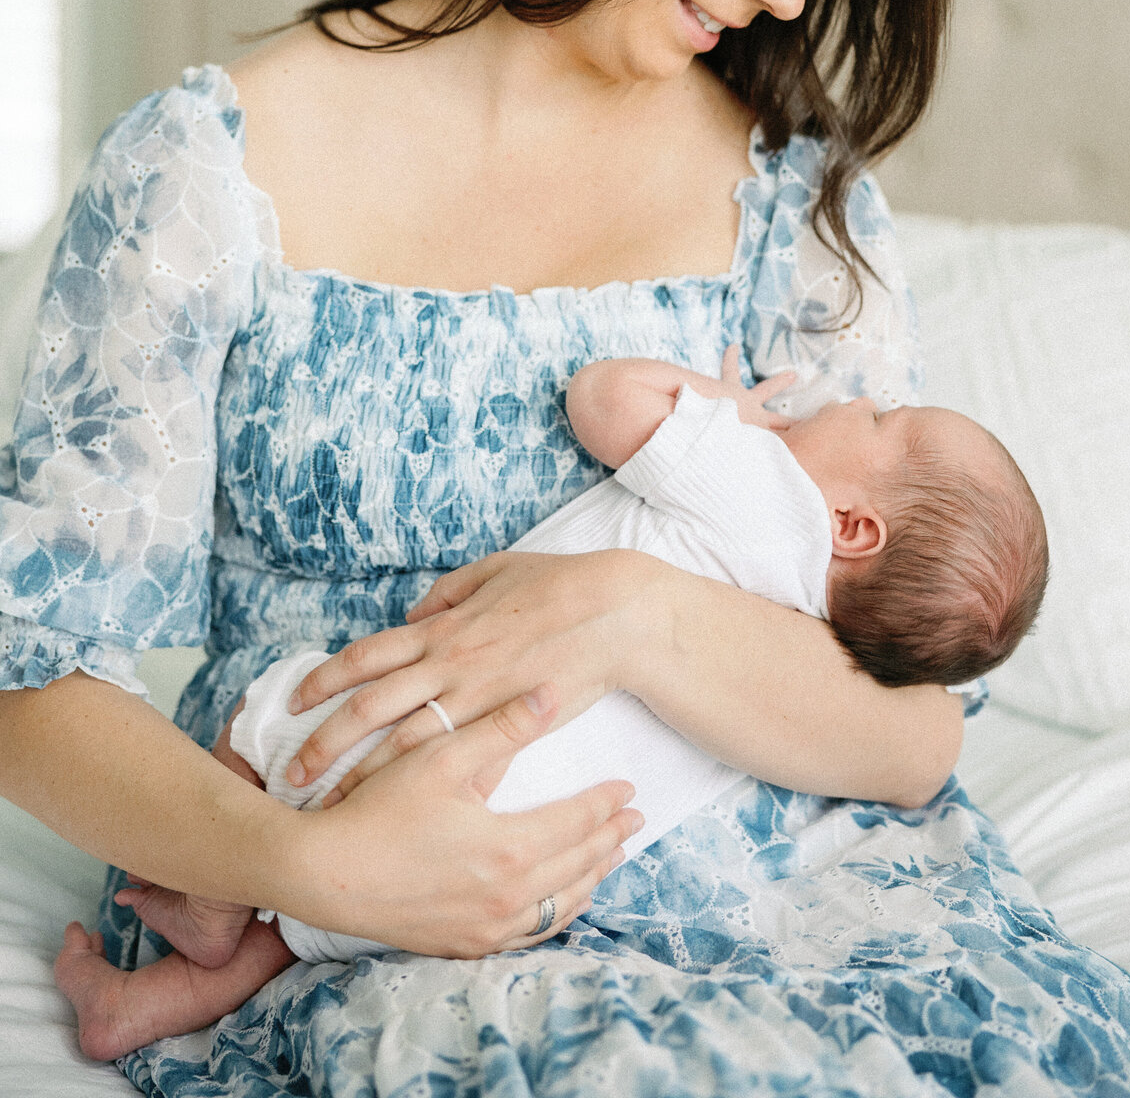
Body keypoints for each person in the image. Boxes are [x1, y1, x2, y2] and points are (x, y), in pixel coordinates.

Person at [2, 0, 1130, 1096]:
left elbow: (914, 742)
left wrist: (635, 611)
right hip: (408, 917)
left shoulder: (794, 202)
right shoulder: (211, 173)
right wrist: (320, 872)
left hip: (817, 892)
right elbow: (28, 684)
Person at [54, 349, 1048, 1058]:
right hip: (517, 860)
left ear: (854, 524)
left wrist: (734, 409)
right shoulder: (820, 642)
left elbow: (604, 399)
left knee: (269, 720)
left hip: (421, 726)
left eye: (884, 421)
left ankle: (209, 897)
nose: (867, 396)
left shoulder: (764, 485)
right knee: (308, 929)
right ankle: (146, 1007)